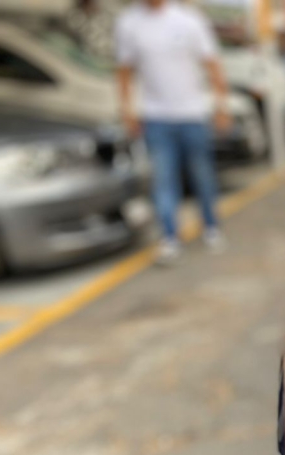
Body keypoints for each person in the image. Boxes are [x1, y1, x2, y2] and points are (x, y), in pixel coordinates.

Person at [115, 0, 230, 265]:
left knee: (202, 175)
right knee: (163, 180)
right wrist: (127, 110)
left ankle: (211, 227)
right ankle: (170, 236)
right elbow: (124, 71)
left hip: (192, 114)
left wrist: (221, 105)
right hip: (156, 117)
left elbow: (212, 63)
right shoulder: (129, 23)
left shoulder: (189, 20)